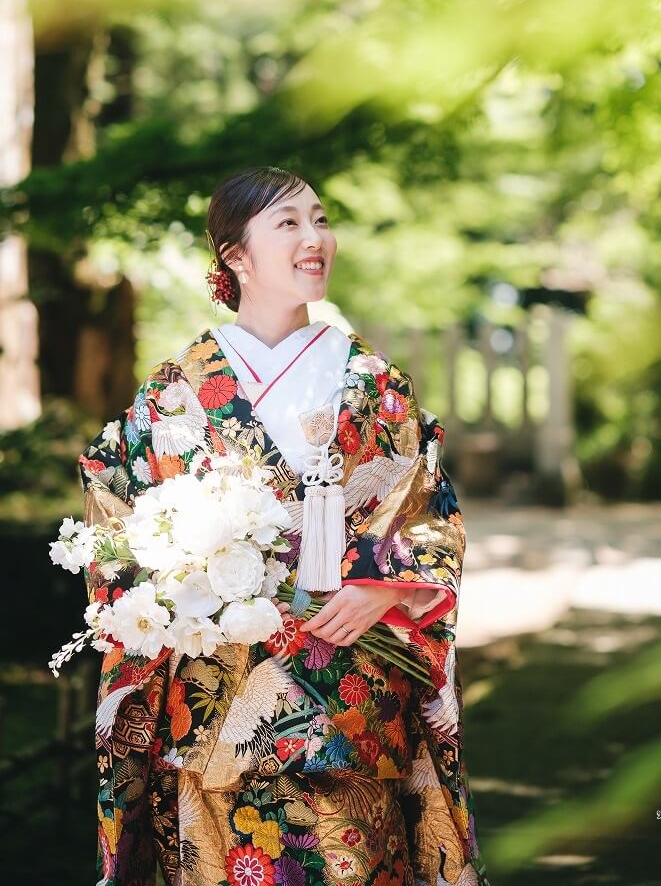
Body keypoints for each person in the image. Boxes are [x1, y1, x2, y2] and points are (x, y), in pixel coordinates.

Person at [78, 165, 490, 886]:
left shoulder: (373, 383)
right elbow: (116, 521)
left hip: (350, 689)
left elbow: (427, 509)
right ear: (235, 256)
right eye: (289, 223)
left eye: (321, 220)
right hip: (214, 701)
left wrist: (389, 591)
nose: (315, 238)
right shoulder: (175, 392)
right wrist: (180, 590)